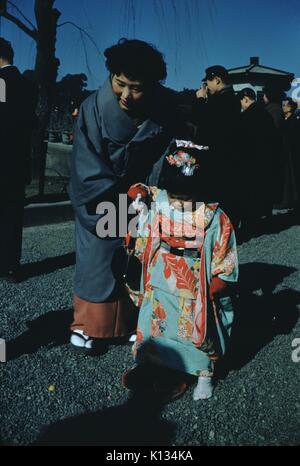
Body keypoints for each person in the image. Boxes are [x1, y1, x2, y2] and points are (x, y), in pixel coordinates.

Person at [69, 39, 190, 353]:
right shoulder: (92, 108)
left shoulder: (164, 108)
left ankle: (132, 323)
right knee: (100, 258)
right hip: (101, 194)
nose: (125, 94)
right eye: (119, 84)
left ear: (151, 85)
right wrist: (116, 200)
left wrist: (150, 194)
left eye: (135, 88)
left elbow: (167, 155)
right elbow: (86, 162)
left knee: (138, 259)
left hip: (142, 196)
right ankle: (88, 326)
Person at [122, 140, 238, 401]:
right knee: (155, 321)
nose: (176, 203)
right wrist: (138, 191)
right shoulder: (162, 197)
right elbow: (144, 191)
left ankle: (202, 373)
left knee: (196, 330)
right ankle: (152, 363)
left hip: (195, 280)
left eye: (185, 198)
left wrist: (218, 281)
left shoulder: (214, 215)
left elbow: (224, 253)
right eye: (173, 196)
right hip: (161, 272)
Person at [0, 38, 37, 282]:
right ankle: (12, 266)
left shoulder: (0, 83)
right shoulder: (28, 85)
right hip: (18, 159)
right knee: (13, 215)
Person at [188, 65, 242, 231]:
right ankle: (226, 230)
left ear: (217, 80)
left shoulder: (222, 100)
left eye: (208, 82)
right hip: (228, 155)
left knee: (218, 196)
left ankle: (222, 232)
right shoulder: (230, 99)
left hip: (219, 156)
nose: (207, 87)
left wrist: (199, 100)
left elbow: (203, 122)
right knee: (226, 195)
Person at [238, 88, 279, 238]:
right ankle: (265, 221)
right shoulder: (266, 114)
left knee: (249, 195)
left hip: (250, 161)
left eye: (241, 102)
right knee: (263, 193)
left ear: (246, 99)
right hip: (266, 160)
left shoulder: (246, 117)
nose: (241, 105)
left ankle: (250, 225)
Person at [277, 97, 300, 211]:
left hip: (292, 153)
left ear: (290, 107)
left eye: (284, 105)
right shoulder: (283, 119)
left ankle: (292, 201)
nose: (283, 107)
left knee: (292, 178)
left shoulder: (295, 121)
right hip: (284, 153)